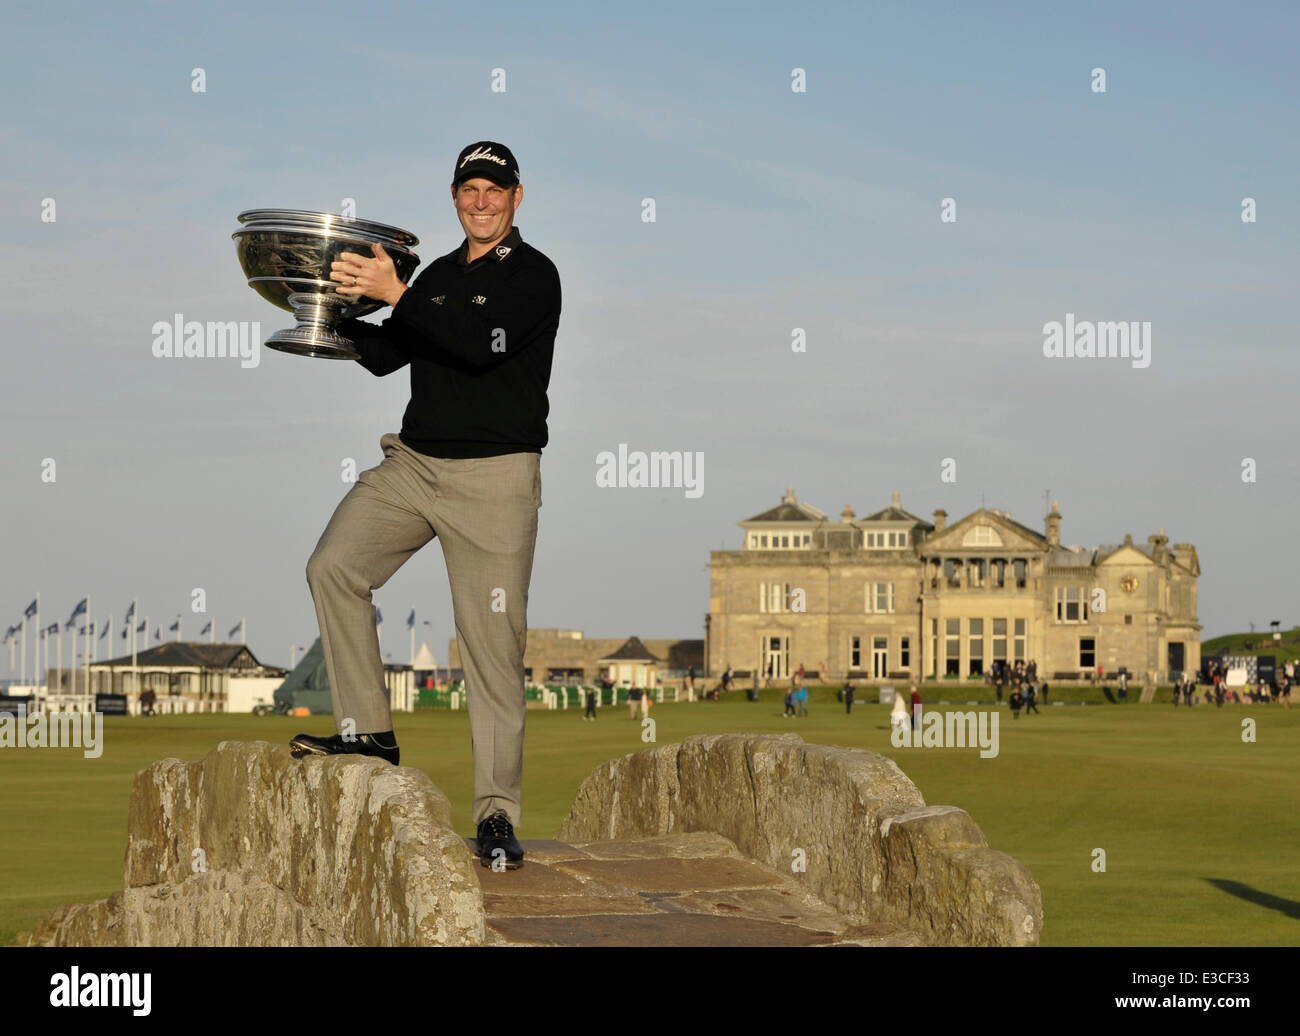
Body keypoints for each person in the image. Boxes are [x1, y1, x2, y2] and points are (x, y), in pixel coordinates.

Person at [289, 141, 560, 872]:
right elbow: (388, 354)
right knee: (333, 567)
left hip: (496, 480)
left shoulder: (535, 276)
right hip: (412, 466)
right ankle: (368, 733)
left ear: (517, 197)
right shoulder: (437, 274)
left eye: (495, 189)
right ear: (453, 195)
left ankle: (497, 815)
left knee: (492, 649)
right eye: (470, 188)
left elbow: (477, 347)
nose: (482, 200)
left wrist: (396, 294)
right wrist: (326, 307)